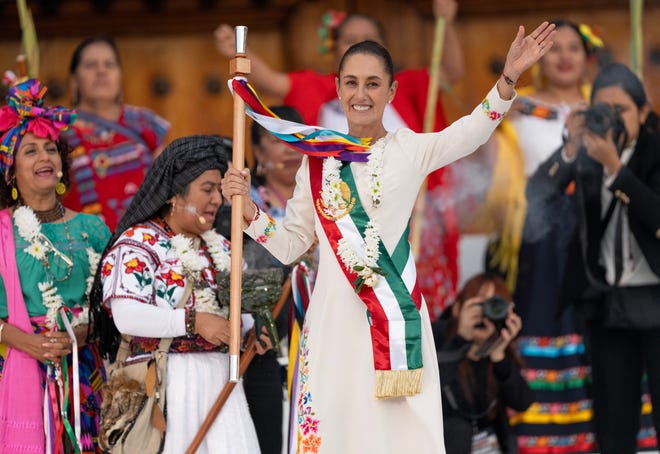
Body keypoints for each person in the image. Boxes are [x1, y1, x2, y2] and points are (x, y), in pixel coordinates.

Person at [222, 22, 556, 453]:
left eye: (373, 84)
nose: (361, 94)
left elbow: (473, 130)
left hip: (394, 320)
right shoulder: (317, 163)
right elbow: (290, 244)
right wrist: (249, 214)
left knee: (398, 435)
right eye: (352, 83)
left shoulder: (410, 149)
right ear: (337, 89)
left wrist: (507, 79)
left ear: (391, 92)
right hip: (333, 323)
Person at [215, 0, 464, 315]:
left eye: (369, 38)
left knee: (417, 316)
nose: (360, 44)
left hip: (415, 226)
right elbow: (269, 82)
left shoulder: (409, 85)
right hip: (344, 234)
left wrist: (448, 21)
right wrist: (239, 51)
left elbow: (451, 72)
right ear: (336, 51)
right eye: (350, 39)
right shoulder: (317, 90)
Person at [90, 134, 271, 454]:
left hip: (223, 385)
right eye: (208, 189)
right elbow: (126, 316)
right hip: (166, 386)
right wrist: (194, 322)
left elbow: (240, 316)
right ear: (175, 193)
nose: (218, 199)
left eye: (220, 190)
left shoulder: (226, 249)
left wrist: (252, 330)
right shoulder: (138, 243)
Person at [477, 19, 604, 453]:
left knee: (599, 333)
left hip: (596, 238)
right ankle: (539, 435)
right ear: (539, 57)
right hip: (537, 238)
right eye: (554, 48)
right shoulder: (520, 107)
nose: (565, 56)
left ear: (588, 58)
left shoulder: (605, 106)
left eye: (573, 47)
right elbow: (489, 168)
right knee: (539, 322)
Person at [525, 62, 660, 454]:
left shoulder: (654, 152)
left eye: (621, 111)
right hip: (608, 304)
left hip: (656, 296)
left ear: (644, 113)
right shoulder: (584, 152)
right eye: (603, 110)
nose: (612, 120)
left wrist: (615, 169)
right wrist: (569, 146)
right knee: (614, 422)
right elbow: (538, 198)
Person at [0, 79, 110, 453]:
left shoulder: (92, 228)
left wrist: (81, 334)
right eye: (30, 151)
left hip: (85, 371)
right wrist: (29, 343)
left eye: (51, 149)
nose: (45, 158)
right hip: (18, 367)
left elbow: (113, 303)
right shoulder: (1, 231)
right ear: (11, 171)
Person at [62, 36, 171, 231]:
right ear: (74, 81)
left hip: (144, 245)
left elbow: (168, 185)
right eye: (90, 65)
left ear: (120, 76)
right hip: (85, 250)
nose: (101, 71)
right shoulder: (58, 134)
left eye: (109, 64)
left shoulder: (145, 122)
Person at [433, 273, 534, 454]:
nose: (485, 314)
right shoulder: (436, 337)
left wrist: (498, 355)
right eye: (479, 305)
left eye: (494, 305)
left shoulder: (498, 344)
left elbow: (523, 402)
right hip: (446, 441)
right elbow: (434, 394)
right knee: (457, 428)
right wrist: (460, 339)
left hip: (490, 443)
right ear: (457, 308)